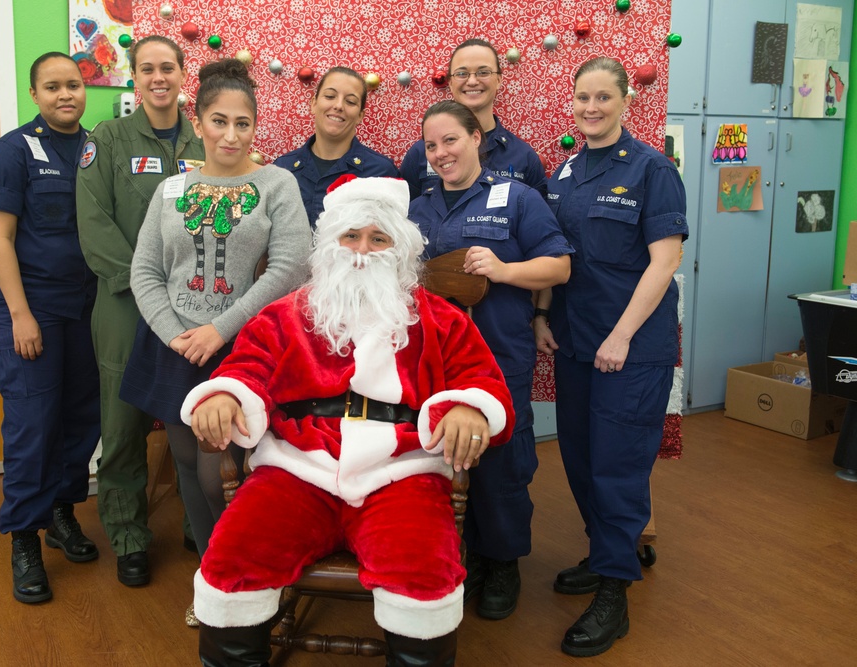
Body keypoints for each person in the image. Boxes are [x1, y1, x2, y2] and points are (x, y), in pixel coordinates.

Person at [184, 175, 515, 667]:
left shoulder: (439, 318)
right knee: (233, 559)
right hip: (297, 467)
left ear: (398, 249)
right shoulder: (285, 315)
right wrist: (225, 395)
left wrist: (468, 406)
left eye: (379, 239)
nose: (363, 251)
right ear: (330, 244)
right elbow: (245, 368)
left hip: (400, 471)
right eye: (352, 236)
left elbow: (483, 381)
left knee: (423, 574)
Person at [123, 58, 312, 621]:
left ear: (256, 126)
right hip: (174, 345)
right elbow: (145, 272)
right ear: (198, 121)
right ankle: (213, 582)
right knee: (185, 463)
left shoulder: (277, 183)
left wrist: (219, 330)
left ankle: (249, 579)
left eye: (243, 123)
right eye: (219, 121)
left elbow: (291, 267)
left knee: (221, 474)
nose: (231, 134)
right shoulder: (171, 189)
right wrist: (180, 334)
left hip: (241, 348)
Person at [533, 56, 688, 657]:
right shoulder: (566, 170)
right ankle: (605, 558)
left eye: (603, 97)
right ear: (571, 103)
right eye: (582, 98)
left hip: (631, 348)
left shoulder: (653, 169)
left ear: (626, 101)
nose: (591, 108)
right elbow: (556, 252)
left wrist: (621, 335)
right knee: (578, 458)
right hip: (576, 342)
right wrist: (543, 315)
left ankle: (615, 593)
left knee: (618, 467)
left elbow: (665, 260)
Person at [407, 100, 573, 622]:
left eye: (450, 140)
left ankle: (503, 561)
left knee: (501, 461)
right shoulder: (418, 208)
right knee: (442, 457)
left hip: (499, 355)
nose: (440, 154)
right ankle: (467, 557)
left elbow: (560, 266)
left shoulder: (517, 198)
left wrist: (502, 270)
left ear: (477, 138)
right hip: (432, 360)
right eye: (431, 146)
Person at [76, 35, 205, 586]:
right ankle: (128, 534)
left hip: (195, 307)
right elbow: (94, 220)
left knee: (194, 417)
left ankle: (202, 526)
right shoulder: (107, 139)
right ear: (133, 78)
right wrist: (146, 284)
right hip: (127, 303)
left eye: (168, 68)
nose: (158, 77)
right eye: (147, 69)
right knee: (124, 423)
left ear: (182, 75)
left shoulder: (205, 139)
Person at [0, 52, 100, 604]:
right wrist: (22, 315)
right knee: (32, 423)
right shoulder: (10, 153)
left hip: (86, 305)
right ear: (35, 94)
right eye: (52, 87)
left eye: (73, 85)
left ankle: (62, 513)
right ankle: (23, 537)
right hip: (29, 306)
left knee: (82, 415)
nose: (65, 95)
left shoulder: (99, 147)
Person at [400, 38, 547, 200]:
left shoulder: (524, 157)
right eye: (462, 73)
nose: (472, 81)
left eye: (483, 72)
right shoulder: (421, 153)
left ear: (499, 80)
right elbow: (402, 219)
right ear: (450, 83)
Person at [274, 66, 398, 227]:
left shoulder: (381, 172)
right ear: (313, 103)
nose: (339, 106)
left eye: (350, 101)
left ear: (360, 115)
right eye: (330, 96)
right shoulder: (282, 169)